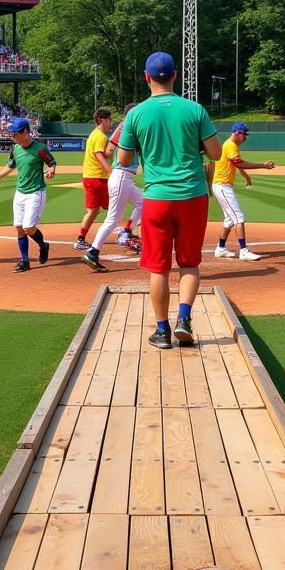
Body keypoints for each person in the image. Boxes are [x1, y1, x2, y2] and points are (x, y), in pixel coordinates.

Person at [116, 52, 221, 349]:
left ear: (147, 77)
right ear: (174, 75)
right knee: (189, 264)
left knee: (158, 268)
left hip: (157, 198)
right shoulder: (195, 110)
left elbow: (123, 159)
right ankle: (184, 320)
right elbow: (215, 154)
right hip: (192, 196)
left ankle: (162, 331)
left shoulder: (136, 114)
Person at [83, 103, 145, 272]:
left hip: (124, 178)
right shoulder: (130, 126)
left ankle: (126, 231)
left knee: (144, 203)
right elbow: (110, 151)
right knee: (112, 219)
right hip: (122, 176)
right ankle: (93, 251)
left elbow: (110, 150)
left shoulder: (122, 126)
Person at [0, 116, 55, 272]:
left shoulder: (40, 148)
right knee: (19, 227)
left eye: (15, 134)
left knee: (28, 227)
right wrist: (0, 175)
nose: (12, 136)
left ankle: (43, 245)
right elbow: (11, 165)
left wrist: (51, 171)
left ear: (25, 132)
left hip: (35, 193)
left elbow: (51, 163)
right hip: (20, 192)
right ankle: (24, 261)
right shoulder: (16, 149)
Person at [211, 121, 275, 261]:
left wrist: (246, 176)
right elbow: (238, 163)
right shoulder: (230, 145)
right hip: (222, 186)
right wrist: (263, 165)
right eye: (244, 135)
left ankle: (220, 249)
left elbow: (235, 164)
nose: (245, 138)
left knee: (229, 219)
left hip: (221, 185)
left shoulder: (230, 146)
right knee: (239, 217)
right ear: (238, 133)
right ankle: (244, 251)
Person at [74, 109, 113, 250]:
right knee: (114, 208)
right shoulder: (101, 136)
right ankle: (125, 232)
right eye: (109, 119)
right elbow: (98, 155)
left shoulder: (95, 134)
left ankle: (81, 239)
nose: (111, 122)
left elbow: (100, 154)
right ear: (101, 120)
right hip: (97, 178)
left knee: (93, 210)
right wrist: (109, 169)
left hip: (90, 177)